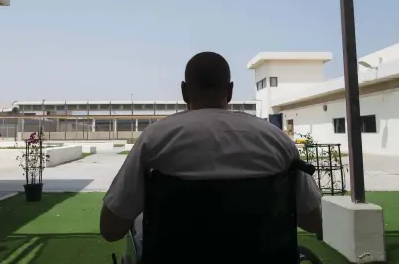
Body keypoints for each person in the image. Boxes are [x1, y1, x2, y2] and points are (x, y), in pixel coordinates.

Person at [100, 51, 322, 244]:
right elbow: (313, 221)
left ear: (184, 91)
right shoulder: (277, 140)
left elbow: (110, 229)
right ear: (230, 90)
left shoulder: (155, 139)